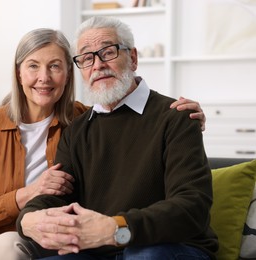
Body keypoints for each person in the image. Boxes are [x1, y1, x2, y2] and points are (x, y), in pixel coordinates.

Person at [0, 27, 207, 260]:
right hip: (2, 229)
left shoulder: (80, 121)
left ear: (68, 73)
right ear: (19, 72)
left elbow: (124, 111)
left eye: (54, 66)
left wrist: (185, 117)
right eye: (33, 66)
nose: (44, 77)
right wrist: (27, 197)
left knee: (6, 245)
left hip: (38, 238)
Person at [16, 16, 218, 260]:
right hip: (100, 251)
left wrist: (116, 229)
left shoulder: (177, 117)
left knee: (143, 256)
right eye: (87, 58)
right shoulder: (77, 130)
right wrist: (27, 220)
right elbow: (56, 196)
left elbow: (192, 207)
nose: (98, 65)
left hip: (171, 246)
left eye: (108, 52)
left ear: (132, 58)